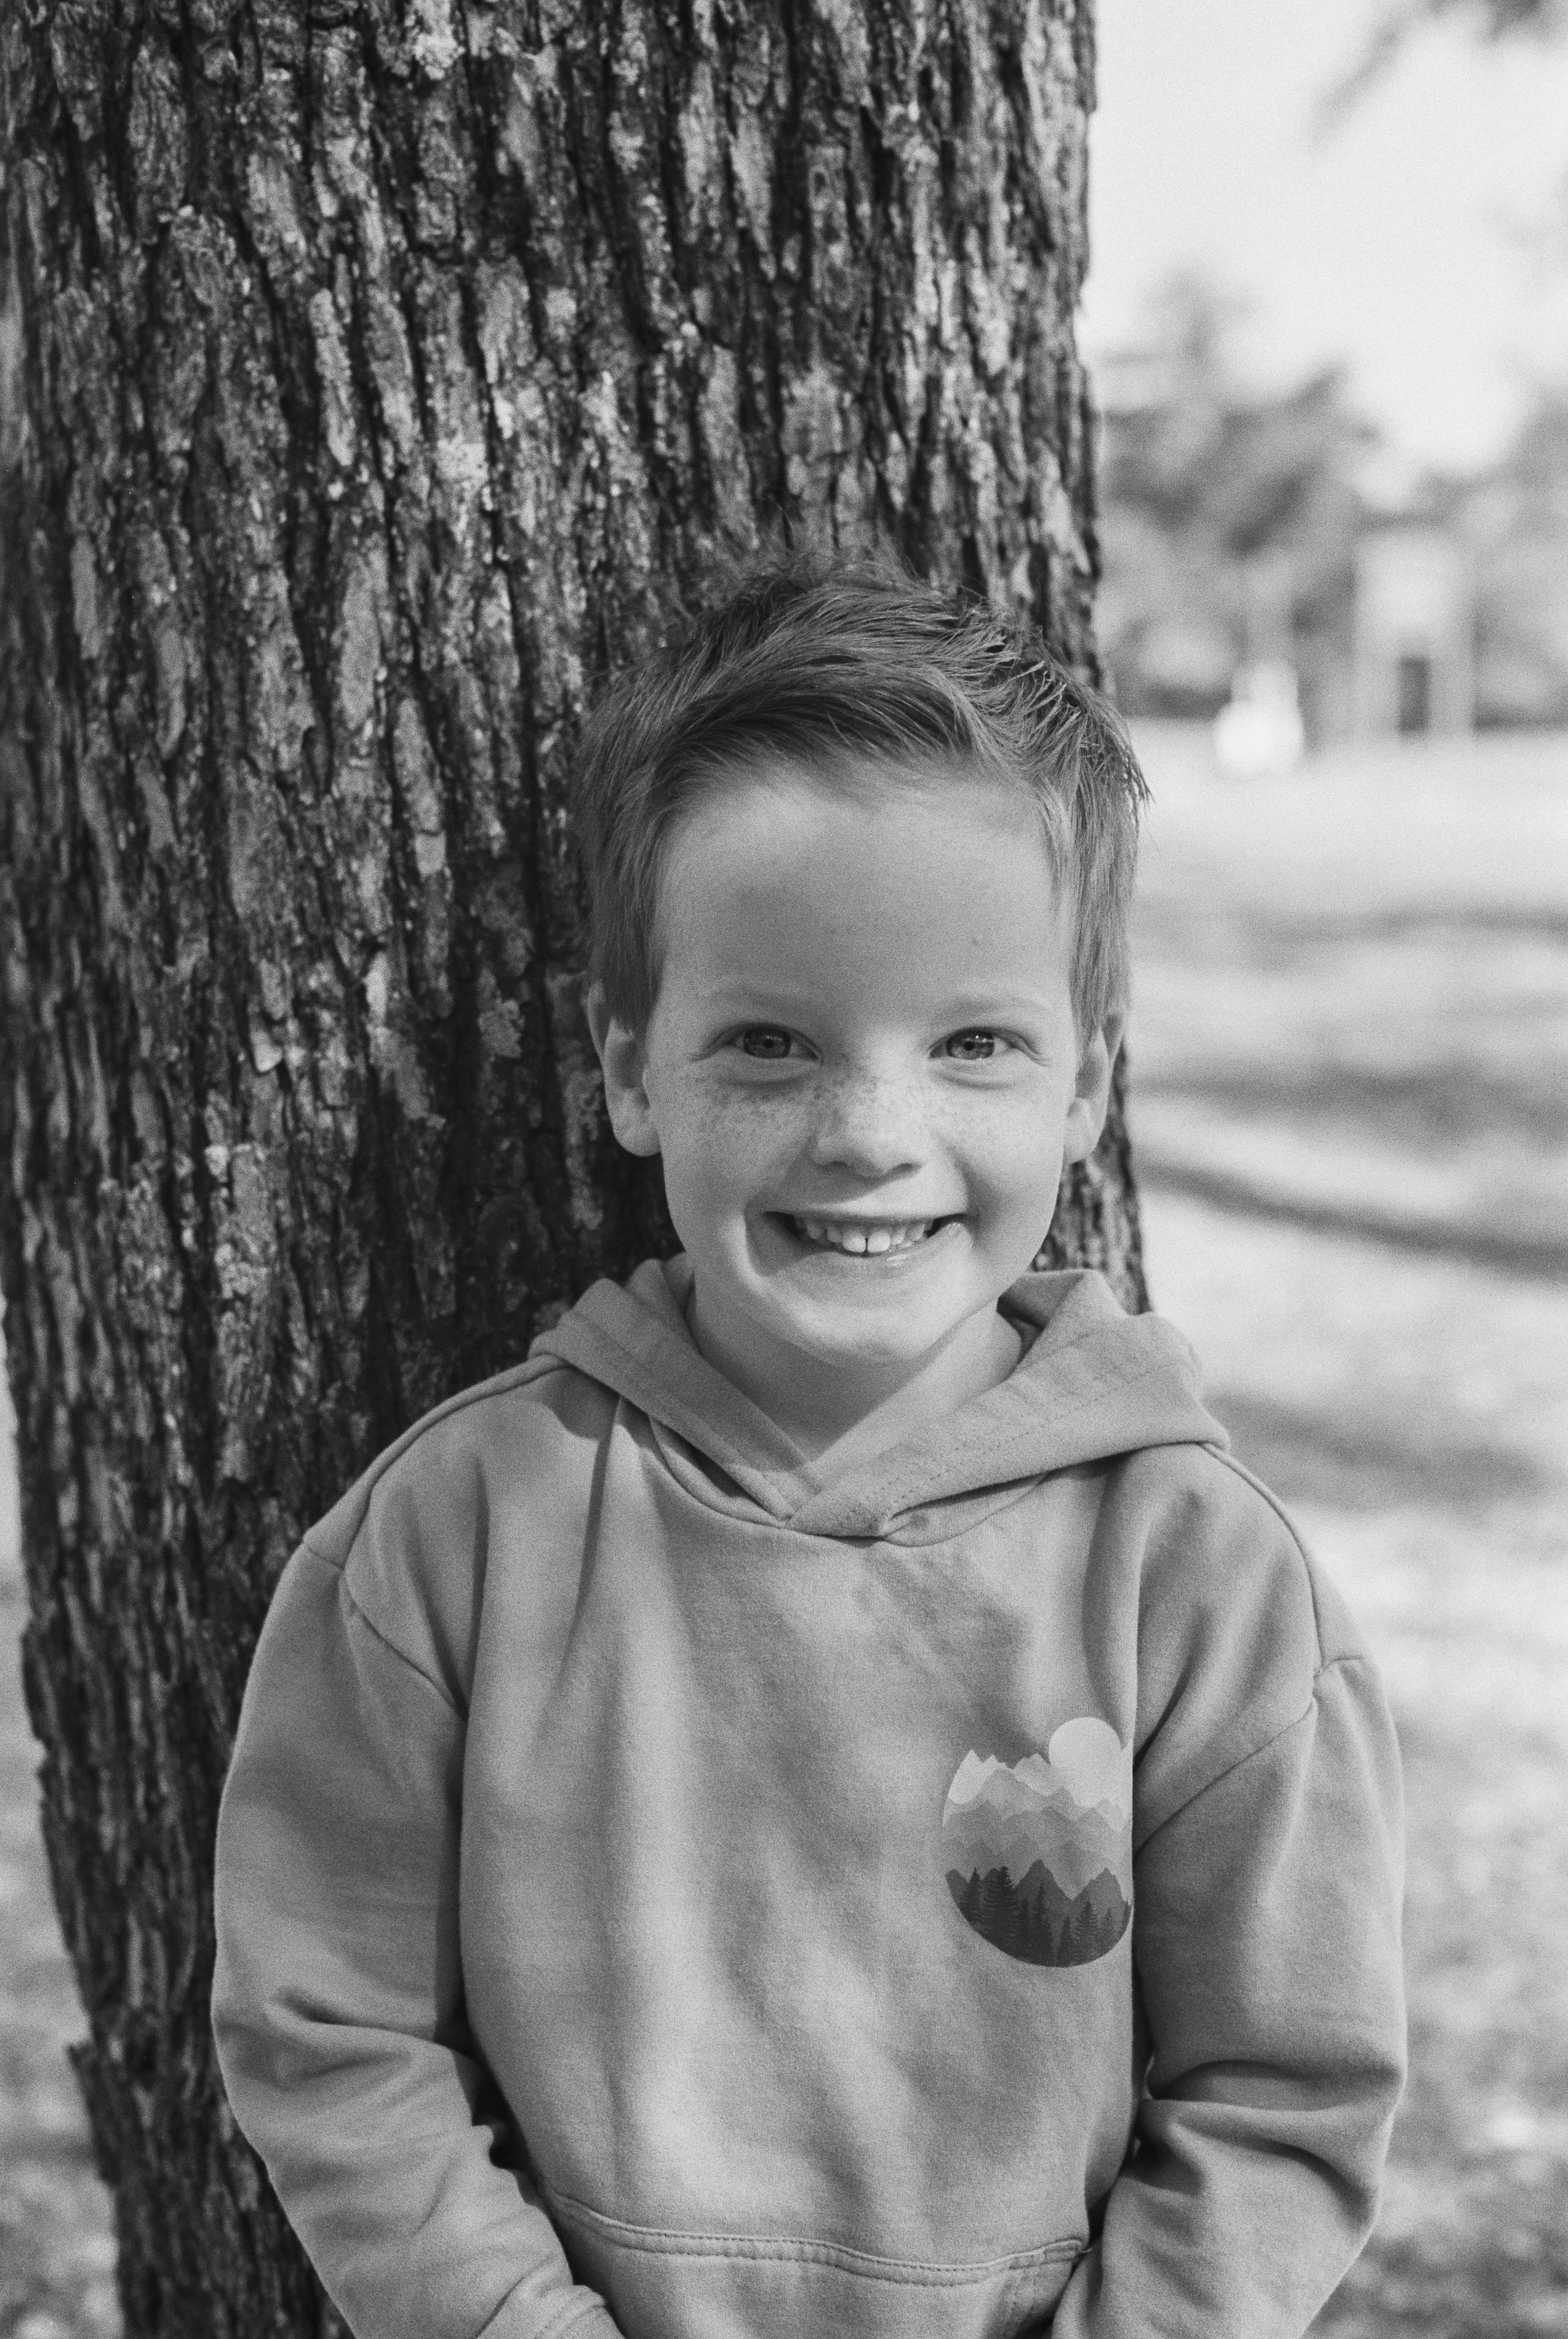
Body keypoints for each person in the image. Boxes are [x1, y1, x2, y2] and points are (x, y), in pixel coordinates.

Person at [211, 560, 1406, 2339]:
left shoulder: (1195, 1577)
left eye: (973, 1045)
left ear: (1082, 1088)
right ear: (630, 1069)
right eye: (767, 1044)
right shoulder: (458, 1534)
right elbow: (328, 2031)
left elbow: (1282, 2099)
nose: (868, 1132)